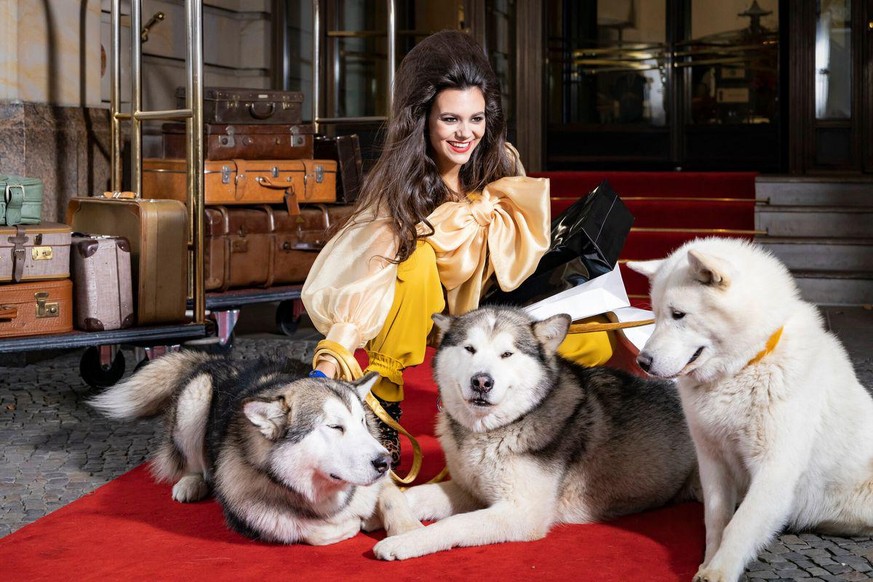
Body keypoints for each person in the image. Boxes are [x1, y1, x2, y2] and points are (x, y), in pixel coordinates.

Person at [301, 30, 614, 467]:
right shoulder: (399, 187)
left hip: (495, 305)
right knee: (413, 257)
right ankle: (382, 421)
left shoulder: (501, 160)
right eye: (450, 119)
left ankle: (558, 441)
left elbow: (524, 245)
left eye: (476, 118)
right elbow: (367, 280)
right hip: (431, 317)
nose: (466, 133)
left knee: (597, 334)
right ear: (423, 118)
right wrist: (330, 361)